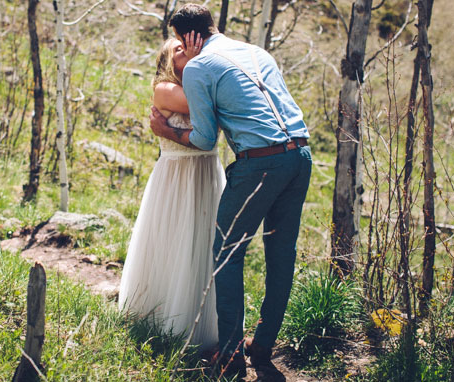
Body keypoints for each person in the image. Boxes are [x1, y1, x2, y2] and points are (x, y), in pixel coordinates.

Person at [149, 4, 312, 380]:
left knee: (226, 255)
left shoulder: (202, 67)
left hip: (261, 164)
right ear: (212, 25)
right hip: (301, 155)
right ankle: (264, 347)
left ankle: (231, 356)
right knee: (280, 254)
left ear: (185, 37)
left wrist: (168, 132)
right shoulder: (256, 51)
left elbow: (205, 138)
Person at [118, 38, 225, 351]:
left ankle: (201, 320)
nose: (189, 51)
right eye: (179, 50)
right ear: (166, 60)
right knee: (173, 240)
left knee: (202, 243)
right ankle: (163, 320)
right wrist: (198, 63)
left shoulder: (199, 80)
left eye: (191, 47)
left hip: (206, 173)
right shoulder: (164, 88)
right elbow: (203, 105)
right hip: (177, 176)